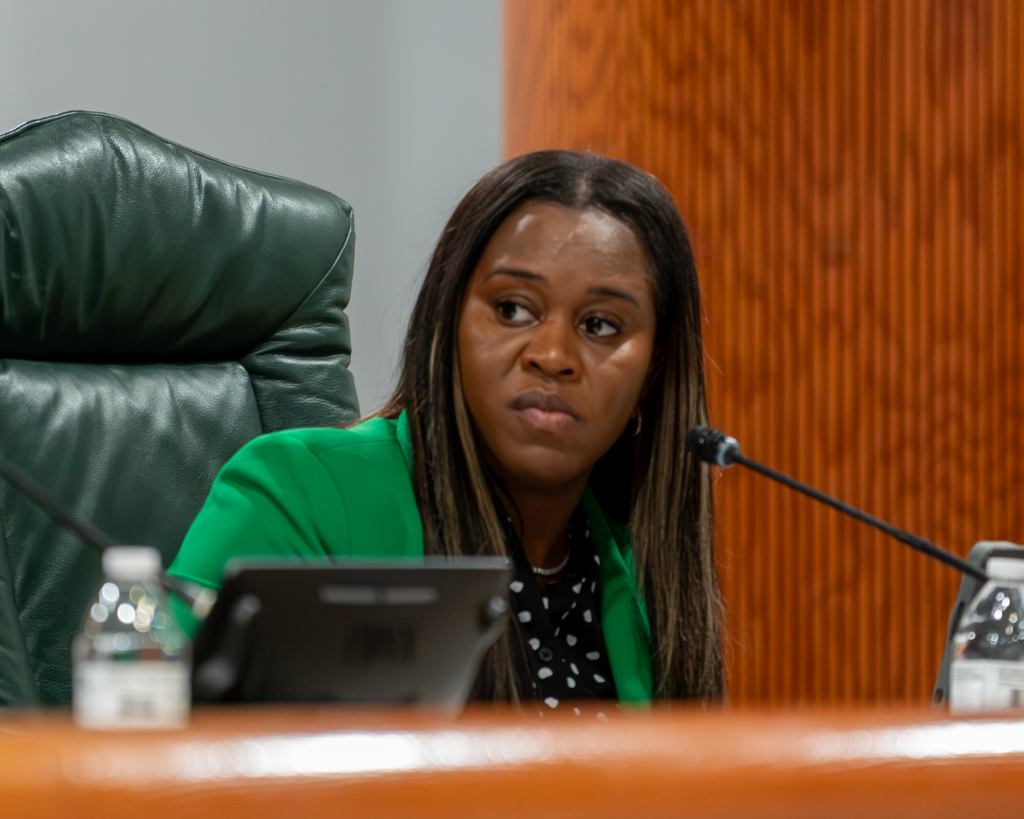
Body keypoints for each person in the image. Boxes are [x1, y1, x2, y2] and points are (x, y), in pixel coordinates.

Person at [168, 150, 725, 708]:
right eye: (512, 309)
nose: (553, 355)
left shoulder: (646, 579)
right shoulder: (298, 495)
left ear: (653, 370)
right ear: (447, 321)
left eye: (600, 325)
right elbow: (140, 733)